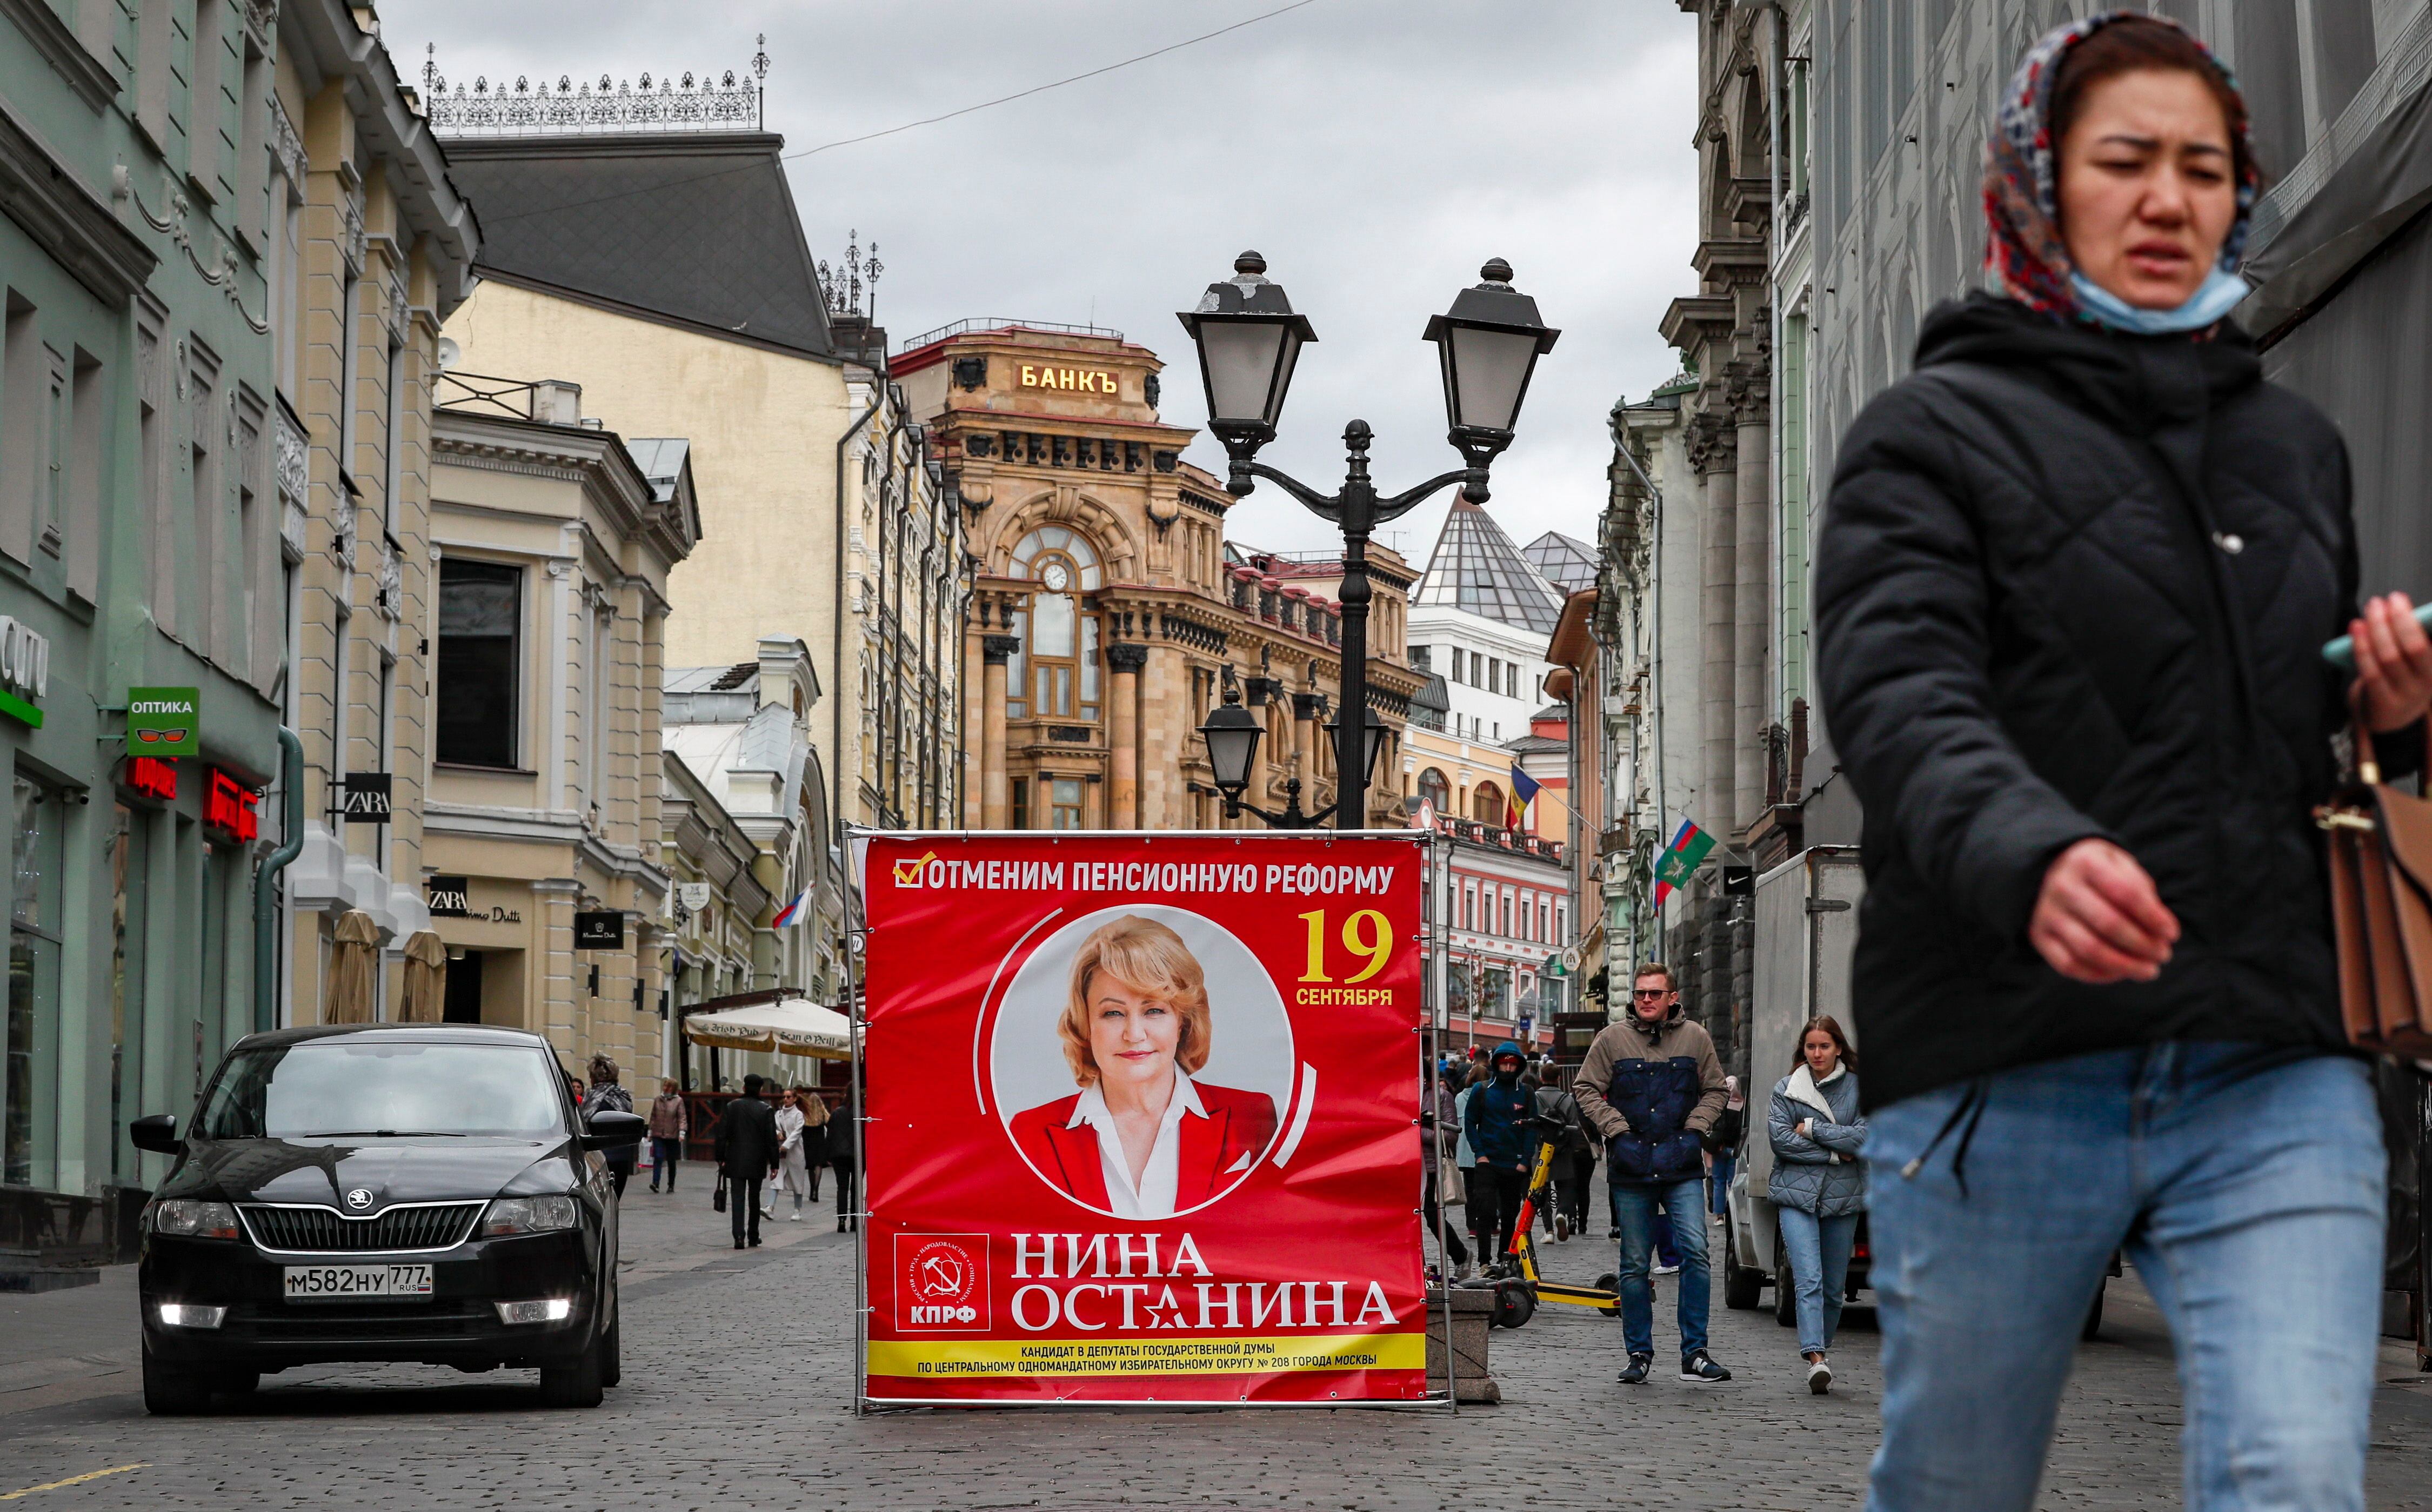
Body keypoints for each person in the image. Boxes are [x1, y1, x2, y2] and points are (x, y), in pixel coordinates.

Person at [1813, 15, 2432, 1510]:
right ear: (2031, 187)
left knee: (2290, 1473)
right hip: (1999, 1057)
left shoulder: (2293, 449)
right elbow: (1899, 694)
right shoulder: (1924, 435)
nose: (2167, 199)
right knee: (1955, 1482)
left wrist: (2394, 710)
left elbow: (2284, 737)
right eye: (2123, 161)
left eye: (2203, 167)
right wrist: (2032, 850)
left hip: (2267, 1051)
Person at [1007, 916, 1277, 1219]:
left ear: (1182, 1023)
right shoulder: (1030, 1135)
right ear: (1085, 1026)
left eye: (1154, 1010)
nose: (1134, 1034)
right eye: (1112, 1013)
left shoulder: (1252, 1118)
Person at [1573, 962, 1731, 1385]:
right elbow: (1585, 1087)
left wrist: (1696, 1127)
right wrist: (1616, 1129)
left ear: (1672, 998)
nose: (1646, 999)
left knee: (1696, 1253)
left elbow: (1717, 1088)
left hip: (1681, 1166)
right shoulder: (1612, 1039)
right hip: (1632, 1167)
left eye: (1655, 994)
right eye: (1641, 993)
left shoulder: (1694, 1037)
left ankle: (1694, 1352)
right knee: (1634, 1264)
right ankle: (1639, 1353)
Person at [1768, 1017, 1866, 1395]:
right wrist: (1832, 1156)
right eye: (1811, 1047)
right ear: (1803, 1050)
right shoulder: (1787, 1089)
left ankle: (1820, 1348)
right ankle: (1816, 1357)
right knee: (1807, 1277)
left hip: (1842, 1199)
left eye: (1825, 1046)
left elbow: (1863, 1137)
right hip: (1795, 1195)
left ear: (1838, 1048)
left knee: (1832, 1286)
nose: (1818, 1053)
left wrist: (1811, 1128)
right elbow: (1780, 1142)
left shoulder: (1859, 1089)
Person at [1461, 1043, 1534, 1276]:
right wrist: (1479, 1153)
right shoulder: (1481, 1091)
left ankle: (1505, 1259)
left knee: (1510, 1214)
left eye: (1513, 1064)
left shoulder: (1526, 1093)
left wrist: (1525, 1159)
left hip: (1514, 1164)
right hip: (1487, 1163)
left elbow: (1532, 1128)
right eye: (1504, 1063)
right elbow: (1470, 1123)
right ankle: (1484, 1262)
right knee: (1485, 1211)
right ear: (1496, 1063)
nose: (1508, 1068)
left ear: (1519, 1066)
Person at [713, 1073, 779, 1249]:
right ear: (761, 1089)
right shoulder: (766, 1110)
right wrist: (775, 1164)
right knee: (754, 1197)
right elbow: (771, 1140)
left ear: (744, 1088)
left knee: (738, 1197)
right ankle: (753, 1234)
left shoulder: (731, 1107)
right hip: (757, 1159)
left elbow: (722, 1135)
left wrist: (720, 1157)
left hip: (735, 1158)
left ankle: (738, 1236)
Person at [1420, 1066, 1471, 1280]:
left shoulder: (1441, 1097)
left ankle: (1460, 1256)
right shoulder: (1398, 1095)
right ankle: (1417, 1266)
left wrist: (1417, 1130)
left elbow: (1450, 1137)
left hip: (1431, 1168)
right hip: (1406, 1166)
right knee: (1407, 1222)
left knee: (1434, 1218)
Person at [1531, 1068, 1593, 1241]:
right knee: (1565, 1187)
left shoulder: (1534, 1098)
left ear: (1541, 1078)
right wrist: (1570, 1148)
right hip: (1563, 1149)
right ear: (1559, 1078)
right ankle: (1561, 1212)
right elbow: (1574, 1127)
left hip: (1541, 1149)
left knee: (1542, 1189)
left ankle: (1549, 1231)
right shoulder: (1567, 1099)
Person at [581, 1055, 637, 1198]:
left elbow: (583, 1124)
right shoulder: (623, 1096)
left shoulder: (591, 1098)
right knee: (615, 1201)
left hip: (595, 1159)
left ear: (594, 1077)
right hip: (621, 1157)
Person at [1453, 1062, 1486, 1255]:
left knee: (1470, 1189)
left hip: (1464, 1150)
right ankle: (1487, 1223)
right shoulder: (1487, 1094)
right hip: (1482, 1149)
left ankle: (1471, 1225)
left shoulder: (1459, 1097)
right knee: (1485, 1189)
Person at [1707, 1075, 1745, 1225]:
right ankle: (1733, 1215)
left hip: (1719, 1148)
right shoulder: (1742, 1105)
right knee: (1732, 1182)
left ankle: (1719, 1216)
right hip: (1734, 1149)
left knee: (1718, 1183)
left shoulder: (1721, 1106)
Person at [771, 1087, 811, 1221]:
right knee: (776, 1177)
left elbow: (797, 1132)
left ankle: (797, 1210)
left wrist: (786, 1145)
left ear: (795, 1099)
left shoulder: (798, 1115)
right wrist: (778, 1134)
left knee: (797, 1181)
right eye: (785, 1097)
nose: (786, 1099)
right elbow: (774, 1127)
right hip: (781, 1152)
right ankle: (770, 1207)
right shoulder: (779, 1114)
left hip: (795, 1152)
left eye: (789, 1097)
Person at [647, 1078, 686, 1194]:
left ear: (673, 1089)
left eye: (668, 1087)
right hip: (658, 1133)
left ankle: (671, 1185)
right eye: (665, 1086)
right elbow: (653, 1116)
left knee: (671, 1160)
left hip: (672, 1134)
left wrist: (682, 1132)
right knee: (658, 1157)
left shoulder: (678, 1101)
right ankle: (656, 1183)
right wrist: (650, 1132)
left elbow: (682, 1117)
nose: (666, 1089)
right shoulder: (658, 1100)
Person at [827, 1087, 859, 1233]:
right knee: (856, 1189)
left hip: (839, 1155)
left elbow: (830, 1134)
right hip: (858, 1156)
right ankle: (855, 1222)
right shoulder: (864, 1114)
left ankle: (841, 1220)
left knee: (842, 1187)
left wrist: (828, 1155)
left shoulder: (837, 1113)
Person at [797, 1085, 831, 1203]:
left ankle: (812, 1190)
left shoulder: (801, 1101)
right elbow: (827, 1117)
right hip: (819, 1134)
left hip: (807, 1134)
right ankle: (816, 1189)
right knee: (818, 1164)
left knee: (811, 1164)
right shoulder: (817, 1099)